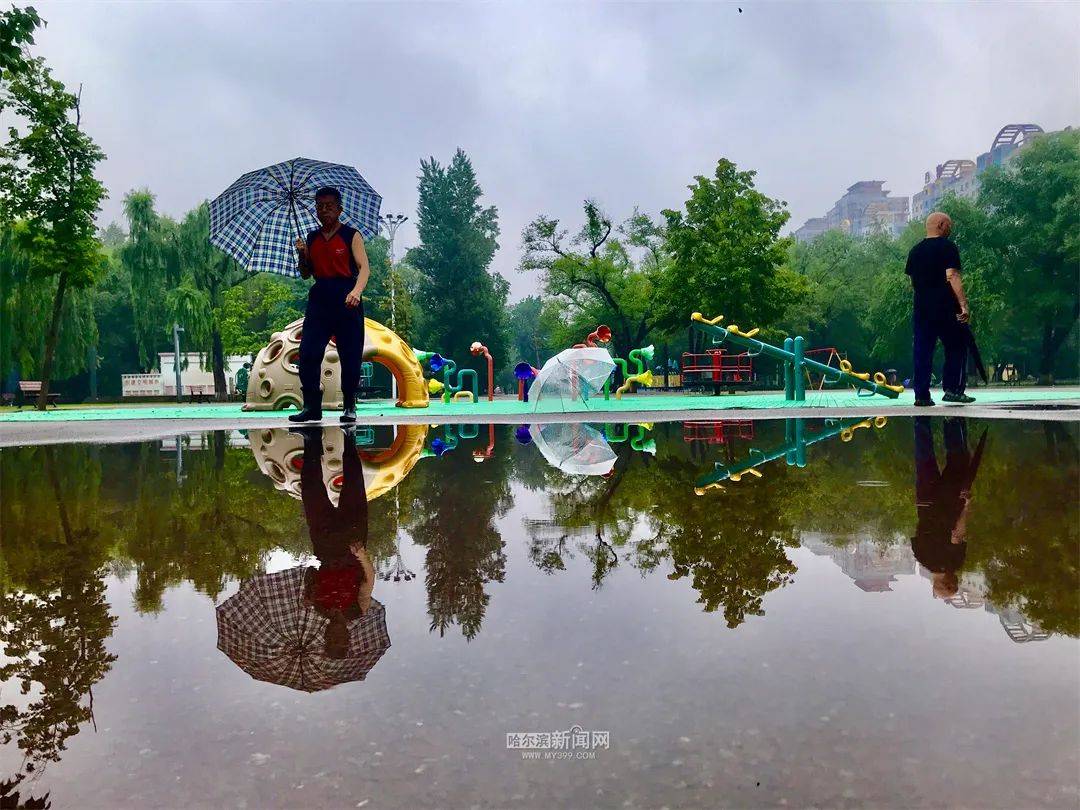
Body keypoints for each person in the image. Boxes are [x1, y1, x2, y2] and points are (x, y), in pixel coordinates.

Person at [295, 425, 377, 658]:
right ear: (347, 637)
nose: (336, 636)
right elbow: (369, 578)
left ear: (326, 636)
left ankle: (311, 441)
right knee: (353, 484)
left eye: (332, 639)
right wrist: (361, 556)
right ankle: (349, 436)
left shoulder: (319, 608)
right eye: (341, 640)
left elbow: (311, 571)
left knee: (310, 489)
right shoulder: (357, 609)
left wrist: (309, 592)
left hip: (325, 543)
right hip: (352, 543)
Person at [290, 187, 371, 424]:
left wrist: (356, 291)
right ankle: (312, 407)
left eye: (329, 206)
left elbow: (364, 268)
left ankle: (349, 406)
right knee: (308, 352)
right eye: (319, 206)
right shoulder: (312, 238)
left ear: (339, 209)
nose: (323, 210)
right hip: (320, 297)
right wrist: (302, 255)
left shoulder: (351, 235)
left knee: (350, 353)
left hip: (347, 297)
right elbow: (307, 274)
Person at [904, 211, 975, 406]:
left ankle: (922, 396)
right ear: (941, 224)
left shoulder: (915, 251)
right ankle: (953, 389)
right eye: (949, 226)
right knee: (956, 346)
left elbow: (912, 282)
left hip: (922, 309)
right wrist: (962, 304)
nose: (950, 230)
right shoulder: (947, 247)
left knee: (922, 350)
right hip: (945, 307)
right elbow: (952, 276)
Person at [911, 416, 975, 599]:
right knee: (924, 459)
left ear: (951, 581)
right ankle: (921, 420)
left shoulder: (955, 561)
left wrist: (966, 506)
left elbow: (957, 534)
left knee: (959, 460)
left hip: (949, 500)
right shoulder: (922, 558)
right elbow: (919, 530)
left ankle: (952, 421)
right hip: (926, 502)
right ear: (936, 582)